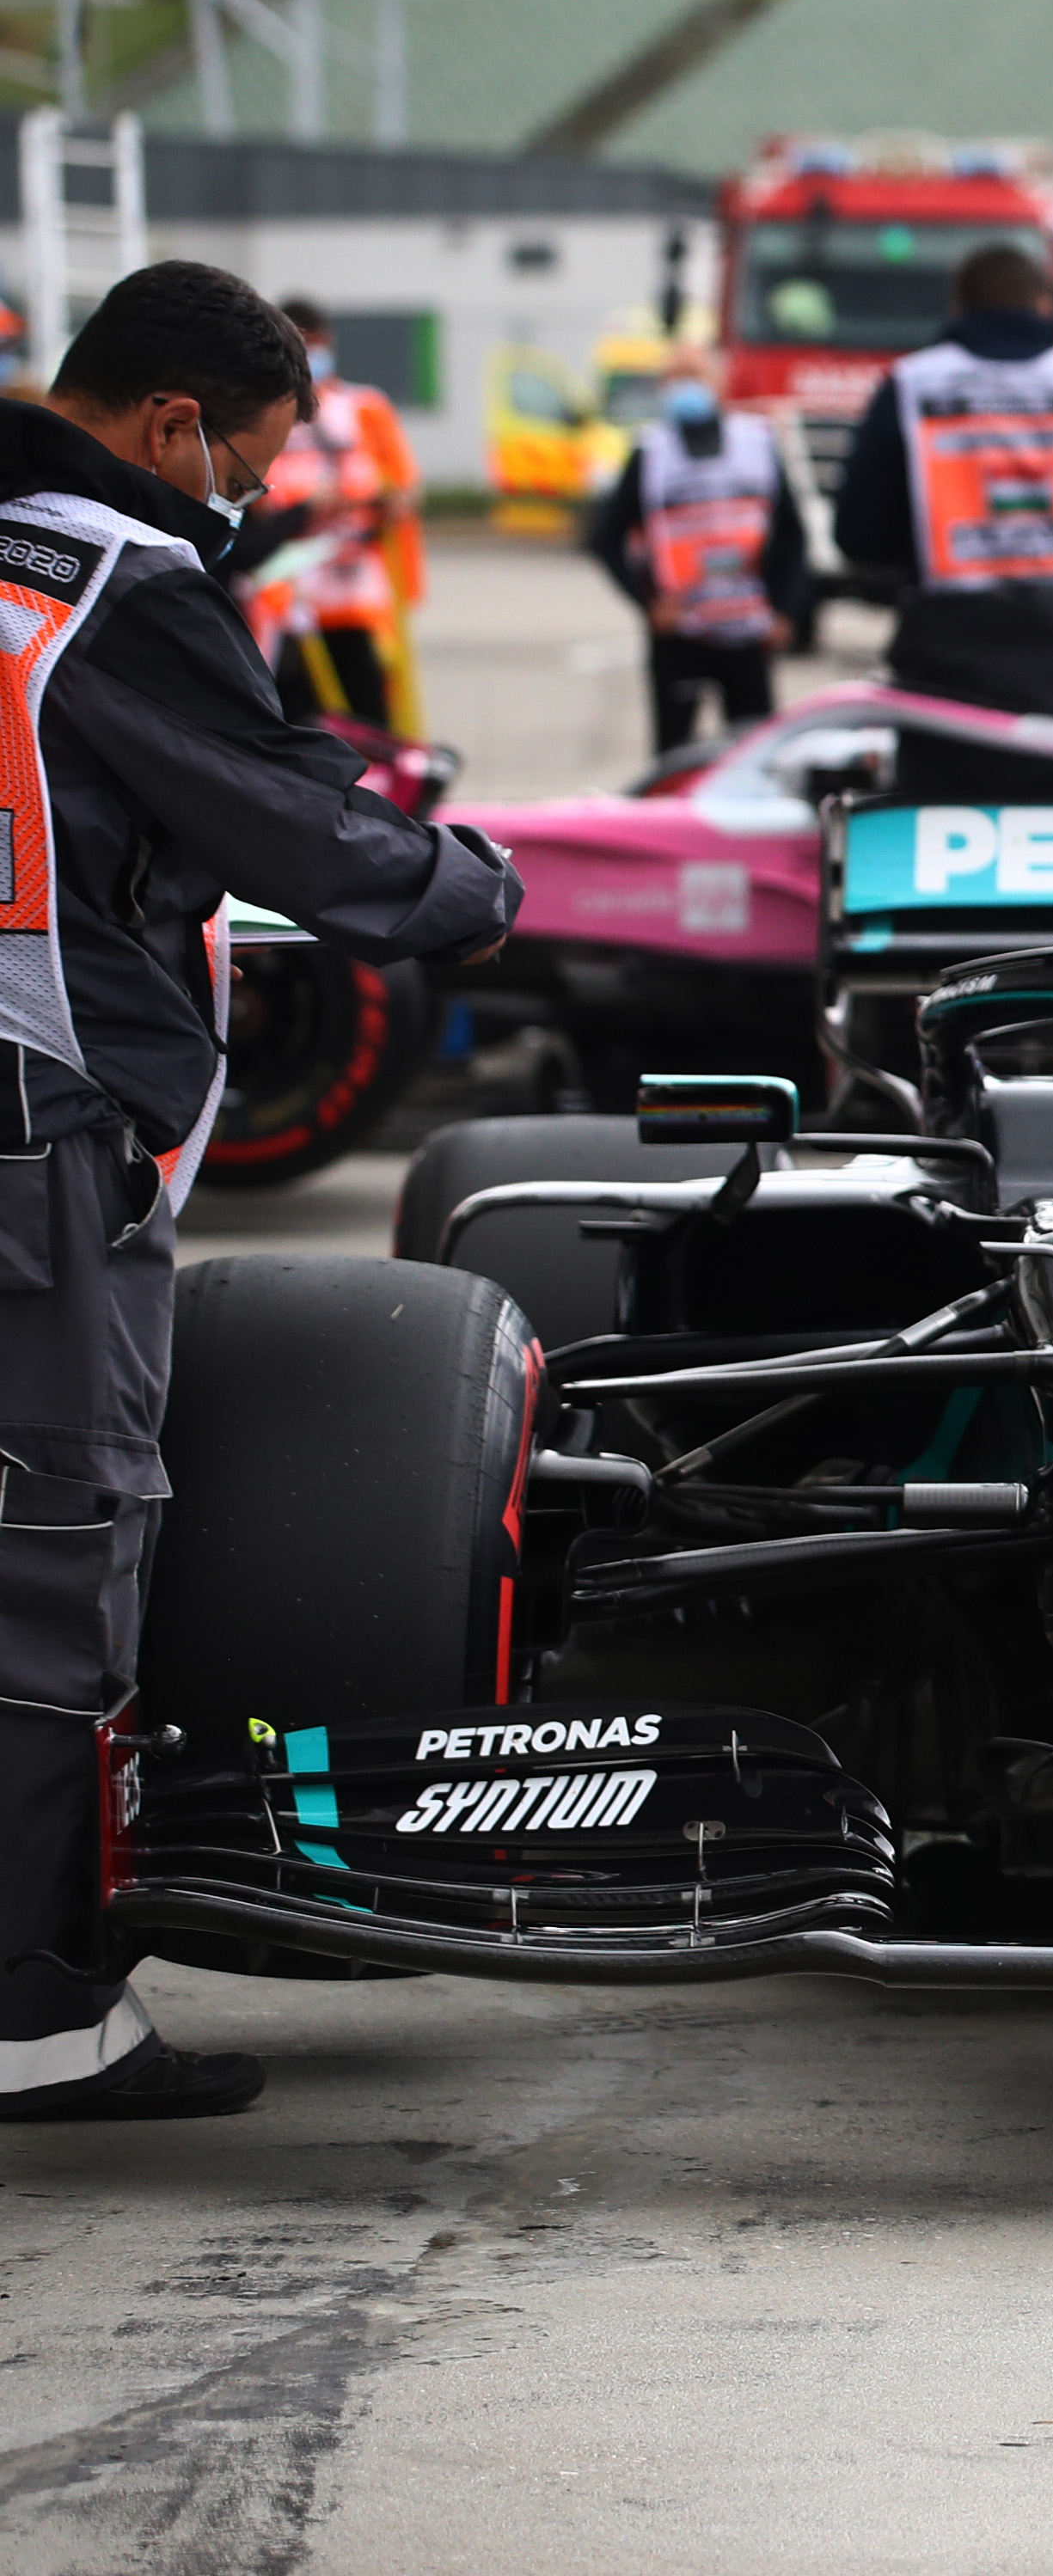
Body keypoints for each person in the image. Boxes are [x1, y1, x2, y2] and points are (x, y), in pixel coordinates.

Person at [0, 265, 523, 2123]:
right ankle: (37, 2019)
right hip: (31, 1149)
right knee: (54, 1557)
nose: (241, 495)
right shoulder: (110, 583)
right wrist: (471, 885)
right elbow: (303, 834)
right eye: (246, 459)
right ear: (167, 427)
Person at [835, 242, 1053, 726]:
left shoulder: (911, 386)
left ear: (958, 307)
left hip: (950, 674)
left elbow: (859, 535)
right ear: (1044, 307)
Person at [583, 347, 812, 755]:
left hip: (747, 633)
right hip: (680, 634)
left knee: (754, 755)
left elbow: (793, 534)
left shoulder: (757, 443)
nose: (685, 388)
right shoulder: (650, 453)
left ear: (720, 383)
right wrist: (647, 602)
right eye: (675, 378)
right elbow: (605, 537)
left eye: (695, 376)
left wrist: (786, 611)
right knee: (673, 756)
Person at [250, 295, 424, 731]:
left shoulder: (364, 407)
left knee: (370, 710)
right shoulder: (261, 412)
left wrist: (375, 503)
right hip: (288, 594)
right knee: (300, 714)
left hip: (357, 592)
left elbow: (404, 488)